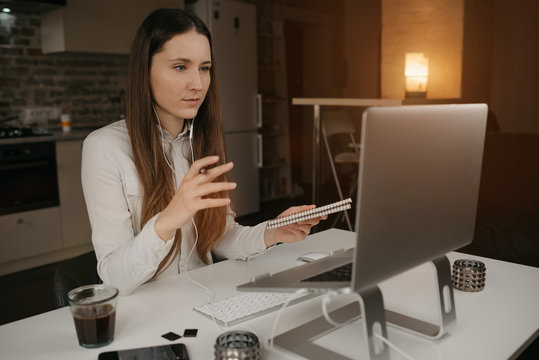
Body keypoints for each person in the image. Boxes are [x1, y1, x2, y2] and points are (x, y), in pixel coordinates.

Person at [81, 8, 324, 295]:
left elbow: (220, 236)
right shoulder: (104, 147)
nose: (197, 84)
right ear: (144, 71)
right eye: (180, 67)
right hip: (144, 312)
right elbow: (113, 277)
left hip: (203, 298)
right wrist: (169, 219)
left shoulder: (202, 140)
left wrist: (272, 232)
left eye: (204, 68)